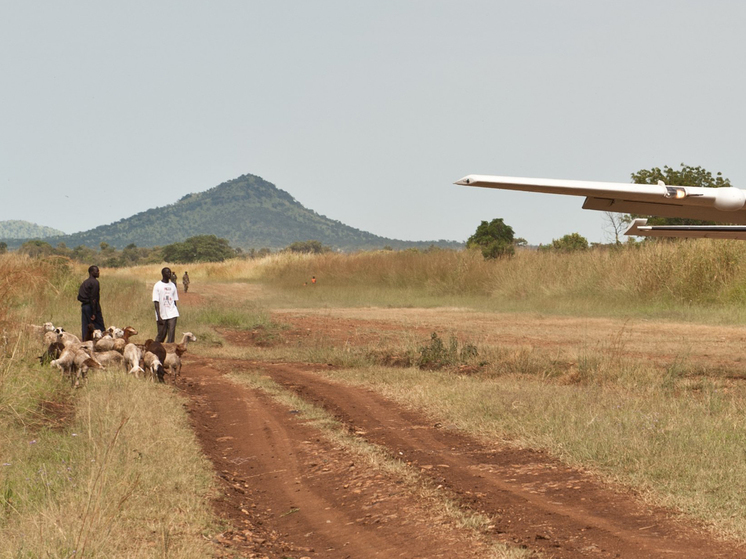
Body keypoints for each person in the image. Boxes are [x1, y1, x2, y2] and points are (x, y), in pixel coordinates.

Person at [77, 265, 105, 340]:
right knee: (100, 327)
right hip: (91, 307)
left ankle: (85, 342)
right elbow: (94, 298)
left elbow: (79, 297)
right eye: (97, 271)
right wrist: (94, 312)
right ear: (92, 272)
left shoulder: (85, 283)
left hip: (84, 307)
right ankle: (101, 344)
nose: (98, 273)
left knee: (86, 328)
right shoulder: (95, 282)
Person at [153, 267, 179, 343]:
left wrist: (175, 311)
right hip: (162, 314)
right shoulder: (158, 285)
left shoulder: (173, 285)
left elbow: (174, 300)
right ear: (163, 274)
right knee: (161, 334)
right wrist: (158, 316)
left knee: (171, 333)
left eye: (170, 272)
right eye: (167, 272)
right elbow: (156, 302)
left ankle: (169, 350)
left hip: (172, 313)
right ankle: (156, 349)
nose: (169, 274)